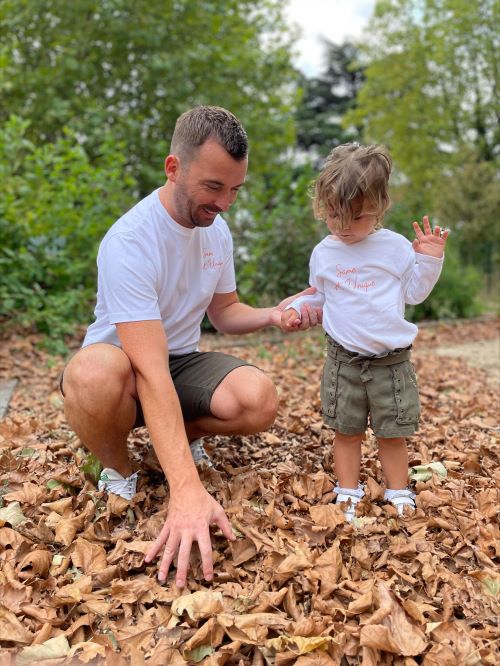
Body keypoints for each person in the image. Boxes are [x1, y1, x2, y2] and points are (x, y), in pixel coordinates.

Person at [61, 106, 321, 587]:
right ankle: (119, 467)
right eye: (213, 187)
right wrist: (186, 491)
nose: (225, 203)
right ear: (173, 168)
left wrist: (271, 314)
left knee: (257, 399)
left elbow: (223, 312)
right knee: (91, 376)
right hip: (122, 367)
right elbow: (150, 371)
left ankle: (176, 443)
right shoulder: (131, 242)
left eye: (235, 190)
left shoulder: (214, 230)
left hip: (180, 361)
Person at [281, 142, 448, 521]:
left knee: (393, 432)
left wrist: (430, 258)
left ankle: (398, 489)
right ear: (323, 206)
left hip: (391, 361)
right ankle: (348, 489)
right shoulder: (324, 253)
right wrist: (295, 309)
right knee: (346, 430)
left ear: (379, 207)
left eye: (355, 218)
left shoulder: (393, 248)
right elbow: (322, 298)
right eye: (334, 215)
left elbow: (415, 292)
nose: (342, 226)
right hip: (344, 361)